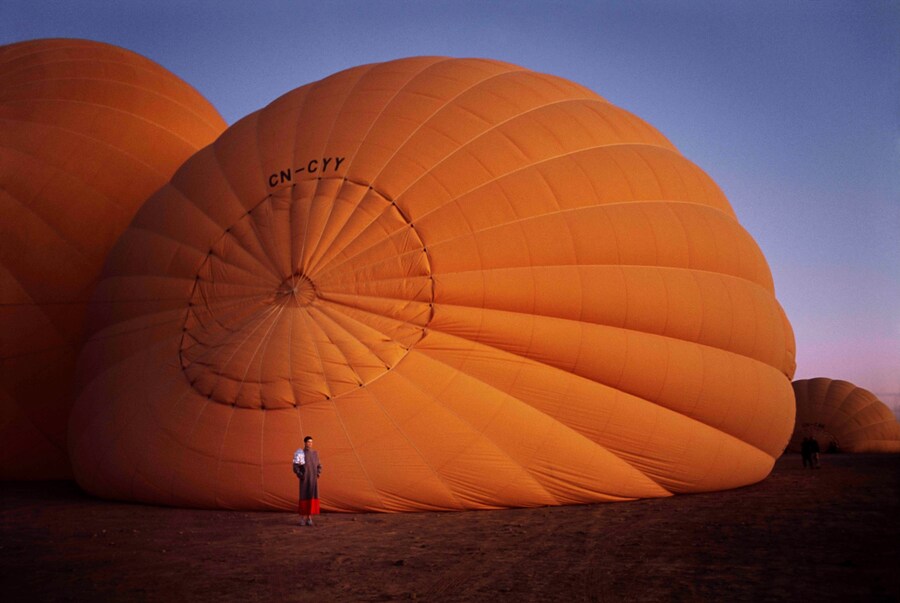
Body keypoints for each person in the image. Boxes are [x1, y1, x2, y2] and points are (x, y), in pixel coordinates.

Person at [293, 436, 322, 526]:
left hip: (313, 480)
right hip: (304, 480)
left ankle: (309, 518)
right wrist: (301, 475)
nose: (310, 443)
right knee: (304, 497)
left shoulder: (315, 454)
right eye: (308, 442)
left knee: (311, 498)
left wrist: (317, 473)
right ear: (305, 442)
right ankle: (302, 518)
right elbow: (295, 466)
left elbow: (319, 465)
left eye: (311, 442)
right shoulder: (300, 453)